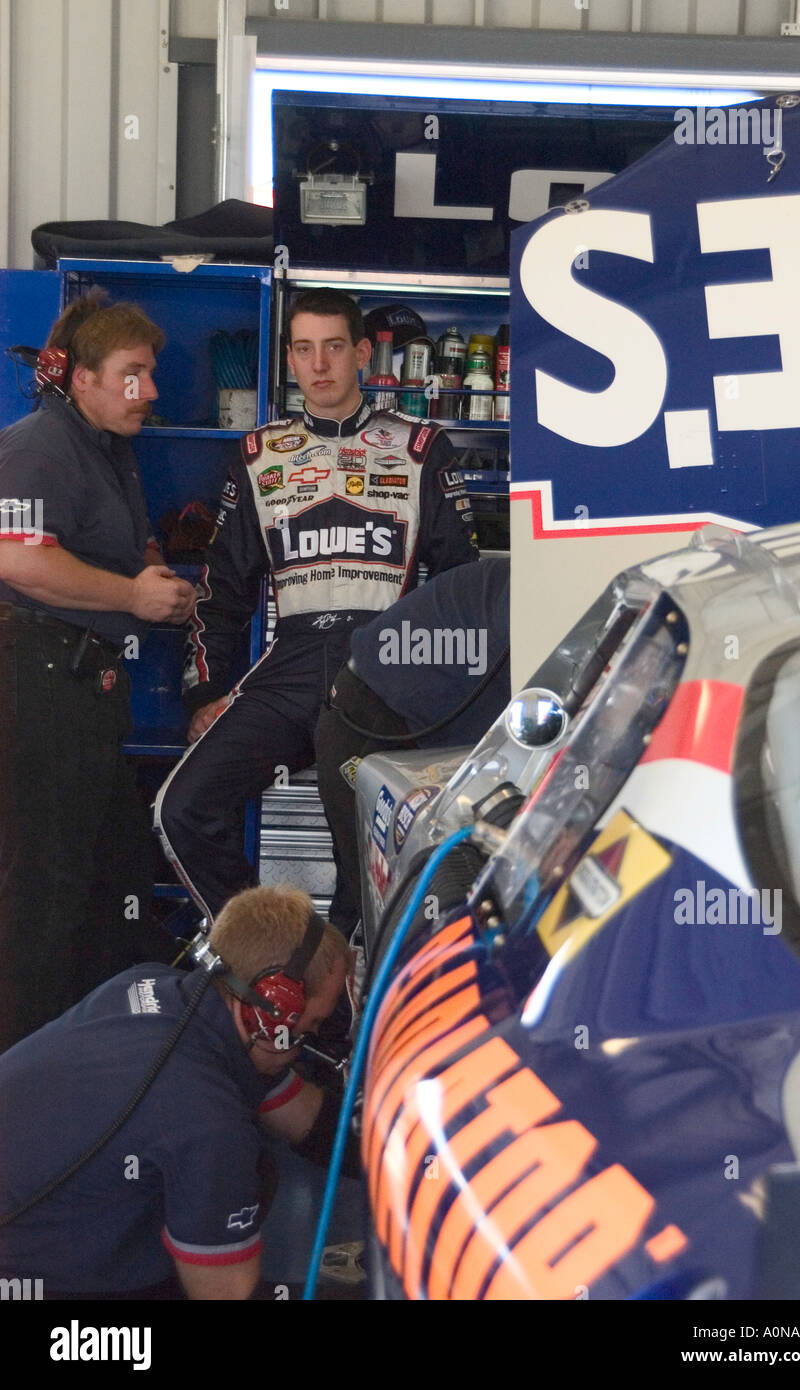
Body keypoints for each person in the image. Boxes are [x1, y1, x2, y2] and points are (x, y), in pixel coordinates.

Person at [154, 287, 477, 925]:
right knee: (181, 809)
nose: (320, 364)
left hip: (381, 667)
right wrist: (206, 691)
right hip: (292, 663)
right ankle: (275, 960)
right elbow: (221, 592)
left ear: (361, 353)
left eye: (333, 347)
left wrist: (443, 689)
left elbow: (463, 586)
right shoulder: (259, 455)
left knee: (366, 855)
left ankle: (343, 1002)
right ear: (292, 362)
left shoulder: (419, 448)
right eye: (304, 349)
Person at [0, 291, 197, 1053]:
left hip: (83, 690)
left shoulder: (108, 452)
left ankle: (83, 1062)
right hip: (38, 684)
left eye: (148, 375)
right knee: (41, 897)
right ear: (80, 378)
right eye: (133, 374)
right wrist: (132, 596)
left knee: (105, 879)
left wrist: (151, 570)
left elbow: (111, 548)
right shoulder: (40, 446)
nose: (148, 391)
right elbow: (17, 558)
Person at [0, 884, 354, 1300]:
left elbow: (304, 1116)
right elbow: (228, 1295)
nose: (303, 1047)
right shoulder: (206, 1117)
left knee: (243, 1172)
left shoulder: (150, 985)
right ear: (270, 1009)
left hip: (31, 1227)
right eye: (308, 1029)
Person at [315, 556, 511, 935]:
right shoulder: (526, 599)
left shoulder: (520, 589)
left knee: (365, 910)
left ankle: (350, 985)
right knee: (386, 916)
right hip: (369, 727)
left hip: (394, 725)